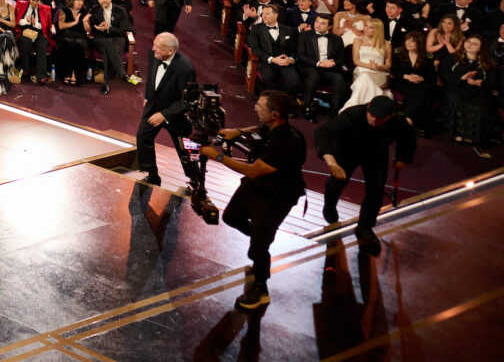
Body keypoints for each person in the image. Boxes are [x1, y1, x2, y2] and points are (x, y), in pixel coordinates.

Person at [200, 90, 307, 311]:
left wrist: (218, 156)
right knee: (230, 216)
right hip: (256, 188)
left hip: (277, 197)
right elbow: (259, 129)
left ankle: (260, 287)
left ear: (275, 114)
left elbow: (254, 171)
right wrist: (237, 132)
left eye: (260, 106)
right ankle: (261, 236)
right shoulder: (272, 126)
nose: (255, 108)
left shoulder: (287, 143)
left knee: (259, 245)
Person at [315, 96, 417, 254]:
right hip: (347, 150)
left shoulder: (398, 122)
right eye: (372, 114)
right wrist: (331, 161)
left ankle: (365, 227)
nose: (374, 120)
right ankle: (329, 208)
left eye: (380, 118)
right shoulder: (353, 114)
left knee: (376, 191)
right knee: (336, 183)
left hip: (376, 153)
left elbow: (408, 139)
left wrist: (403, 159)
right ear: (368, 107)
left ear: (391, 116)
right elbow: (322, 133)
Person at [136, 32, 196, 186]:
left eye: (158, 48)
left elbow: (186, 100)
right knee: (143, 136)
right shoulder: (155, 54)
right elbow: (151, 78)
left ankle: (195, 179)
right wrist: (148, 97)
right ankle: (152, 175)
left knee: (185, 149)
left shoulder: (185, 68)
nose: (153, 49)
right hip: (153, 107)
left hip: (176, 115)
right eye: (154, 45)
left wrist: (164, 115)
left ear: (170, 51)